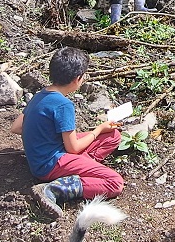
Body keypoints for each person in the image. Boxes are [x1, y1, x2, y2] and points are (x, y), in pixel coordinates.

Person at [11, 47, 124, 219]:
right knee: (115, 183)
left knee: (113, 136)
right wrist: (99, 129)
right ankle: (54, 189)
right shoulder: (64, 105)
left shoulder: (40, 95)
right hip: (49, 164)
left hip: (43, 155)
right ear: (77, 79)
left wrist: (40, 136)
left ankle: (81, 167)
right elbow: (72, 148)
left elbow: (17, 127)